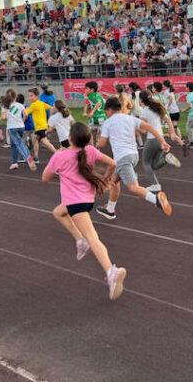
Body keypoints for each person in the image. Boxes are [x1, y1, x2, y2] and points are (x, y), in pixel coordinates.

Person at [43, 123, 125, 300]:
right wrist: (106, 179)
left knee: (93, 238)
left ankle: (111, 271)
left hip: (75, 203)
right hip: (86, 199)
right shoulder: (90, 151)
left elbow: (45, 178)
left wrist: (56, 159)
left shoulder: (61, 156)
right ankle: (80, 242)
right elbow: (113, 163)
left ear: (70, 138)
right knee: (58, 212)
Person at [95, 97, 173, 220]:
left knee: (133, 187)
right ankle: (110, 209)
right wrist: (162, 141)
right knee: (113, 181)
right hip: (133, 155)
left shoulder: (108, 122)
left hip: (122, 158)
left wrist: (98, 142)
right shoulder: (130, 118)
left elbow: (102, 144)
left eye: (106, 112)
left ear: (109, 110)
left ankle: (156, 199)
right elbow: (149, 127)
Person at [138, 90, 183, 192]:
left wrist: (135, 127)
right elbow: (168, 120)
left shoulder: (144, 111)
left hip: (151, 140)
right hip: (161, 139)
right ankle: (167, 159)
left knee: (145, 162)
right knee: (154, 165)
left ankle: (155, 184)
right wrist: (172, 133)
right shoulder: (156, 109)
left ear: (141, 100)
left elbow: (144, 130)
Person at [0, 94, 36, 171]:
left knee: (19, 143)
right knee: (14, 144)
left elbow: (3, 118)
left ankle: (27, 157)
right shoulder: (19, 105)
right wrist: (22, 121)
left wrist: (2, 118)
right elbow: (25, 114)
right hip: (21, 127)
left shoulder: (5, 106)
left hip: (12, 128)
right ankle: (14, 162)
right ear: (14, 98)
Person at [27, 87, 57, 162]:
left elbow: (26, 113)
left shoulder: (34, 105)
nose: (30, 97)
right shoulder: (41, 103)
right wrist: (50, 118)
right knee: (35, 139)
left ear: (37, 96)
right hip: (43, 126)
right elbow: (51, 108)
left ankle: (57, 153)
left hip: (40, 127)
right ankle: (36, 157)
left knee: (45, 141)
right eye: (29, 96)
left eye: (31, 96)